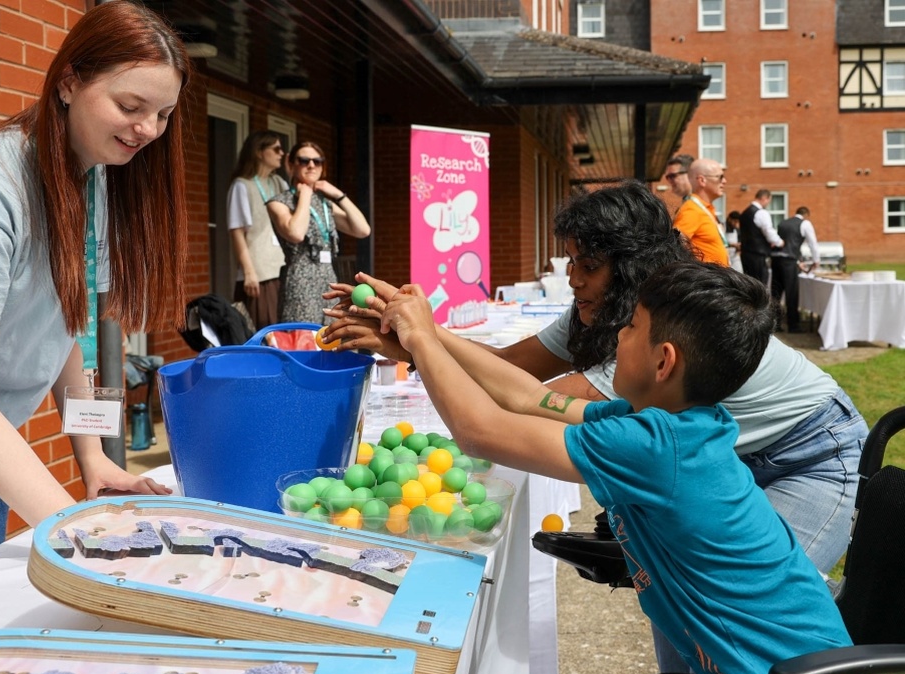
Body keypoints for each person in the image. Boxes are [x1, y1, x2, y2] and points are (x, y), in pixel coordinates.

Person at [375, 262, 877, 674]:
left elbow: (481, 430)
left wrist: (421, 339)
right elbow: (528, 397)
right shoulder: (666, 426)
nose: (617, 336)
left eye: (632, 326)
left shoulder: (659, 450)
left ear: (664, 361)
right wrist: (428, 334)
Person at [324, 181, 866, 580]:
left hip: (812, 454)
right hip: (724, 458)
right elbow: (523, 388)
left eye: (587, 263)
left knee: (746, 590)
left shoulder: (645, 353)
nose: (571, 278)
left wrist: (425, 340)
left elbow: (505, 418)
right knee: (689, 593)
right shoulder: (634, 344)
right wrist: (420, 338)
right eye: (570, 260)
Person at [0, 1, 188, 589]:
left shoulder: (93, 180)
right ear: (68, 83)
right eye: (129, 106)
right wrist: (75, 530)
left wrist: (92, 455)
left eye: (162, 113)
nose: (148, 130)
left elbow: (62, 324)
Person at [266, 142, 370, 324]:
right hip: (300, 280)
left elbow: (362, 230)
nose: (311, 165)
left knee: (331, 339)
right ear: (290, 164)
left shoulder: (323, 202)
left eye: (318, 161)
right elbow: (296, 233)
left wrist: (338, 195)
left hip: (328, 278)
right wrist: (305, 197)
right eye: (304, 160)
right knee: (303, 339)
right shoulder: (280, 202)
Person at [226, 130, 289, 330]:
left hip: (281, 267)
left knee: (285, 331)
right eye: (277, 149)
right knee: (263, 331)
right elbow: (237, 232)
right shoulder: (241, 186)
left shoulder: (279, 182)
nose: (282, 153)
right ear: (259, 152)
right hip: (259, 274)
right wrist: (249, 272)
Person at [771, 206, 821, 334]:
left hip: (776, 260)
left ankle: (775, 324)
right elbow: (812, 243)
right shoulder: (805, 223)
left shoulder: (782, 223)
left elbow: (783, 243)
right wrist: (816, 260)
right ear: (806, 215)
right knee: (792, 293)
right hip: (789, 262)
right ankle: (793, 325)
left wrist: (798, 261)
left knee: (776, 293)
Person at [671, 158, 729, 266]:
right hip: (707, 280)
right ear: (702, 180)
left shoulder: (704, 208)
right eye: (720, 177)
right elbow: (675, 248)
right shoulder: (691, 210)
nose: (724, 181)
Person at [739, 189, 784, 286]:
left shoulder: (744, 213)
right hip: (758, 255)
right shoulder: (761, 213)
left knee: (749, 284)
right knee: (760, 285)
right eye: (768, 200)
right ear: (764, 198)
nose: (768, 203)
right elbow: (769, 232)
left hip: (745, 254)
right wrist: (780, 242)